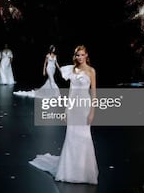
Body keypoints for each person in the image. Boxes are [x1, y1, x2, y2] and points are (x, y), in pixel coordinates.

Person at [28, 45, 99, 184]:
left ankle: (84, 172)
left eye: (82, 54)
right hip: (74, 108)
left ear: (86, 55)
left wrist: (92, 112)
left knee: (85, 136)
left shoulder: (91, 71)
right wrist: (66, 110)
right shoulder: (73, 70)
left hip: (84, 105)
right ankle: (69, 171)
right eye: (77, 55)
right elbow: (72, 92)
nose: (79, 57)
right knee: (72, 136)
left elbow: (94, 93)